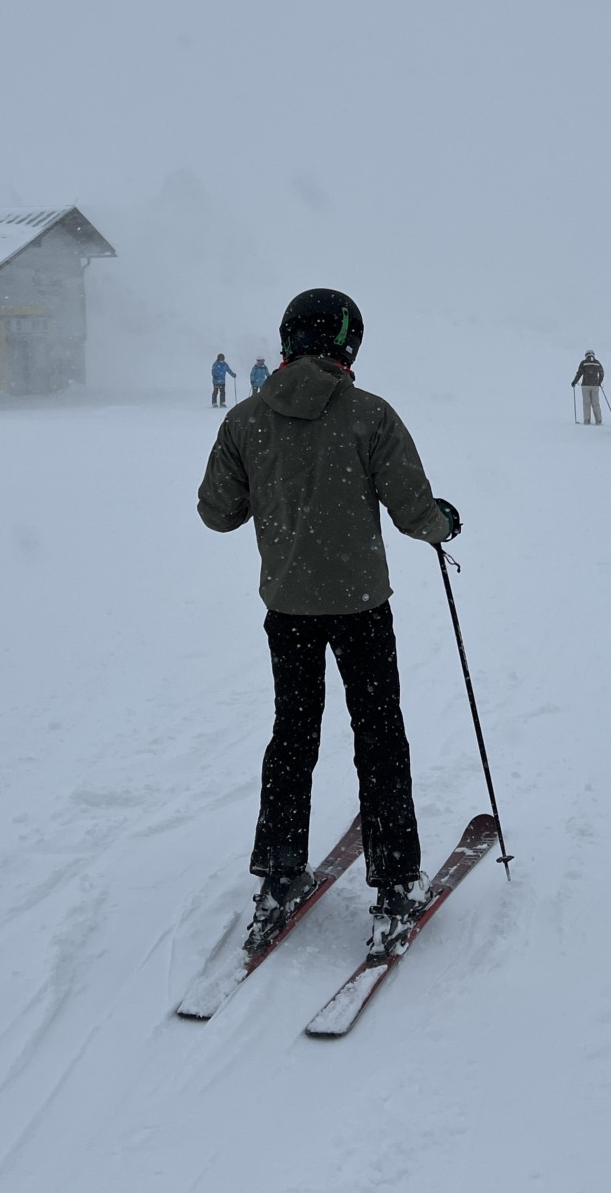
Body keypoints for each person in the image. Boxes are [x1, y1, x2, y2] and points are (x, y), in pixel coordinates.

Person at [197, 288, 462, 955]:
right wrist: (444, 523)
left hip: (288, 608)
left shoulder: (246, 420)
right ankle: (395, 884)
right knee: (379, 736)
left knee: (293, 735)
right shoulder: (370, 414)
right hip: (360, 607)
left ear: (288, 339)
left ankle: (279, 872)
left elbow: (217, 513)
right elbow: (414, 512)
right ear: (348, 343)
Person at [571, 350, 604, 424]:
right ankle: (598, 420)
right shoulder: (597, 362)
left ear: (586, 355)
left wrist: (574, 382)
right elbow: (602, 373)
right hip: (595, 386)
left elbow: (579, 373)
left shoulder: (583, 363)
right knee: (596, 403)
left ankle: (587, 420)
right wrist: (599, 382)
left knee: (586, 403)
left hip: (585, 385)